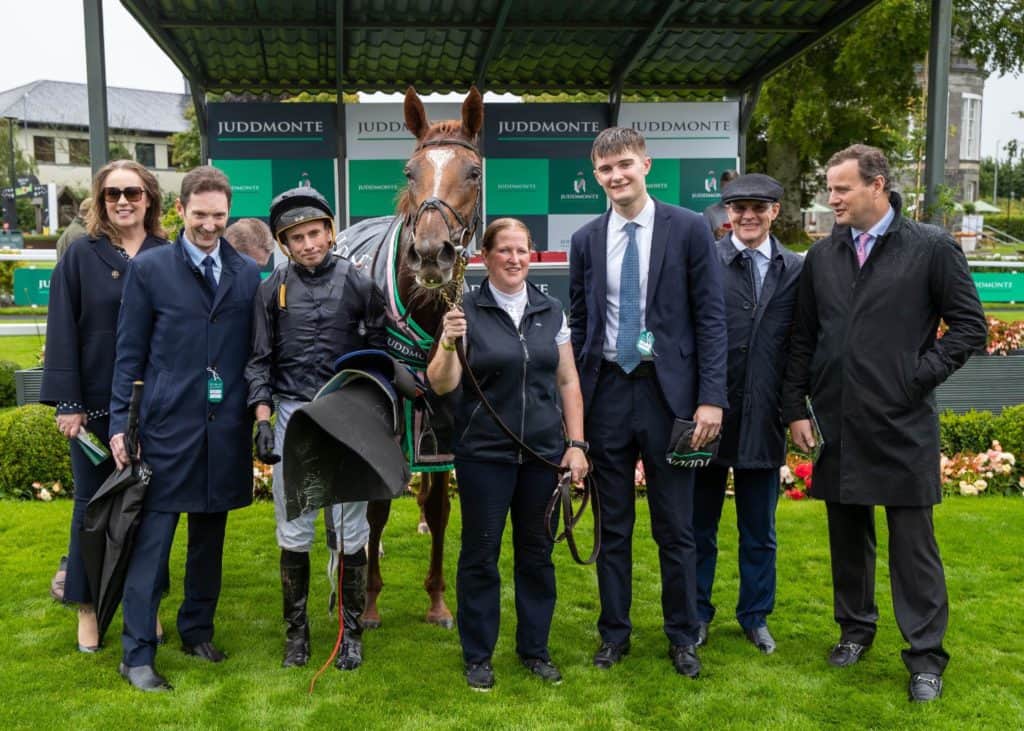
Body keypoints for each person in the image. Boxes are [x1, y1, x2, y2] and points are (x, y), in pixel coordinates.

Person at [782, 144, 987, 702]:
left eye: (841, 188)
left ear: (877, 185)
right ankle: (855, 632)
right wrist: (796, 408)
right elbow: (803, 338)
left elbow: (970, 328)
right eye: (830, 188)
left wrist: (914, 377)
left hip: (902, 423)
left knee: (913, 546)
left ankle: (925, 659)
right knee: (848, 538)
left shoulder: (932, 248)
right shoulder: (822, 257)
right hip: (836, 423)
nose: (832, 199)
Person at [569, 127, 727, 678]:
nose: (617, 176)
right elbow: (583, 324)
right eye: (606, 169)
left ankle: (683, 636)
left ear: (646, 165)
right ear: (596, 175)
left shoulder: (687, 229)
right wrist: (578, 417)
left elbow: (711, 317)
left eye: (625, 165)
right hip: (608, 392)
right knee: (613, 527)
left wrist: (711, 400)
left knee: (676, 527)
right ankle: (615, 635)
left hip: (672, 398)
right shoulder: (586, 239)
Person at [109, 165, 262, 692]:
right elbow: (128, 354)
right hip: (165, 429)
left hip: (224, 432)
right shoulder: (150, 270)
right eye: (200, 215)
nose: (209, 225)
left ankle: (197, 631)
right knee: (152, 546)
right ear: (180, 211)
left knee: (209, 542)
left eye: (219, 216)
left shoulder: (245, 272)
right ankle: (137, 655)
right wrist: (118, 426)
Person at [428, 218, 588, 691]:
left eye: (522, 250)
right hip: (484, 455)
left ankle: (534, 650)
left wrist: (576, 444)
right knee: (480, 556)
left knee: (537, 555)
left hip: (542, 455)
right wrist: (448, 341)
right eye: (505, 251)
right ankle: (478, 655)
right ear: (485, 256)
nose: (515, 258)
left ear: (531, 256)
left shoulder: (550, 309)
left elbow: (567, 381)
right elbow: (442, 383)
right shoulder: (466, 311)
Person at [245, 186, 387, 670]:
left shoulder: (362, 285)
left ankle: (350, 634)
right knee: (294, 525)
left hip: (347, 414)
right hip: (292, 414)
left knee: (351, 527)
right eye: (297, 237)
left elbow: (380, 357)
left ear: (330, 231)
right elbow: (259, 361)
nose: (308, 244)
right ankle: (297, 634)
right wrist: (262, 420)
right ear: (284, 244)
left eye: (315, 233)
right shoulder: (270, 291)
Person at [40, 161, 166, 652]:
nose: (122, 201)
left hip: (153, 406)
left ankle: (145, 605)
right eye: (112, 193)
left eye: (132, 192)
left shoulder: (167, 254)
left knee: (149, 510)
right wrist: (67, 402)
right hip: (90, 407)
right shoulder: (79, 256)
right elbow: (62, 329)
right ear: (100, 199)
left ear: (149, 198)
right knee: (91, 509)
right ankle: (88, 608)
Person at [693, 173, 802, 655]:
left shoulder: (796, 269)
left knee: (761, 531)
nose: (748, 215)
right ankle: (695, 615)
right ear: (726, 213)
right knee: (699, 529)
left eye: (758, 207)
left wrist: (794, 408)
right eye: (738, 208)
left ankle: (755, 616)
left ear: (775, 211)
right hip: (709, 417)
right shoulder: (706, 262)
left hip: (764, 417)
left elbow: (801, 344)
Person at [702, 170, 738, 239]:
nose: (729, 193)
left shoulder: (745, 210)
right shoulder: (709, 211)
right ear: (720, 186)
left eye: (732, 189)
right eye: (726, 189)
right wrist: (715, 235)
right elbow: (703, 239)